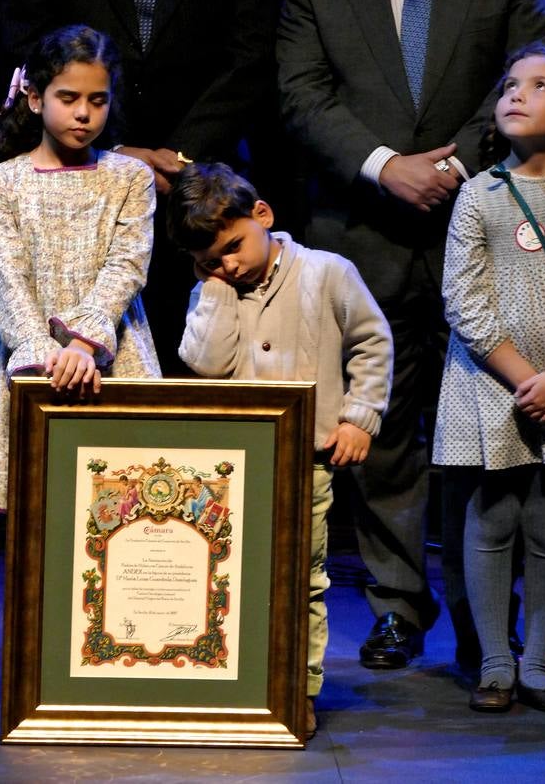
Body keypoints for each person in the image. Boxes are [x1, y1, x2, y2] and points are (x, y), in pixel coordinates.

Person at [276, 0, 545, 670]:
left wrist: (454, 164)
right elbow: (301, 96)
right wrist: (384, 166)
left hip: (487, 227)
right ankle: (398, 607)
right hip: (364, 229)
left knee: (489, 426)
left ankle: (485, 620)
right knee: (383, 432)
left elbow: (530, 74)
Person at [0, 0, 279, 374]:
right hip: (82, 175)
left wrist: (181, 154)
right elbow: (28, 40)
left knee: (200, 362)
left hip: (200, 194)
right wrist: (118, 149)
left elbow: (251, 57)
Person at [165, 161, 393, 736]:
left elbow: (373, 343)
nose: (229, 264)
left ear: (262, 215)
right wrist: (213, 288)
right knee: (226, 576)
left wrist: (359, 418)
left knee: (301, 577)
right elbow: (208, 365)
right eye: (210, 260)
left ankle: (297, 688)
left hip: (305, 463)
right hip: (229, 468)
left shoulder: (327, 272)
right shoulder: (211, 289)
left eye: (235, 247)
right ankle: (233, 683)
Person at [0, 24, 161, 513]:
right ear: (35, 98)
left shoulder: (130, 178)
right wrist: (45, 355)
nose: (83, 112)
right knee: (39, 507)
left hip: (113, 355)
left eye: (98, 100)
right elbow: (7, 281)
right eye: (69, 96)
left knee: (123, 504)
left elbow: (128, 265)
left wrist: (83, 343)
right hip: (29, 358)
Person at [433, 42, 545, 712]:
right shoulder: (478, 196)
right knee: (490, 521)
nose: (517, 94)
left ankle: (539, 664)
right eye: (511, 83)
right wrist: (528, 380)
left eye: (540, 85)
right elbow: (465, 301)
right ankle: (494, 661)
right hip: (491, 386)